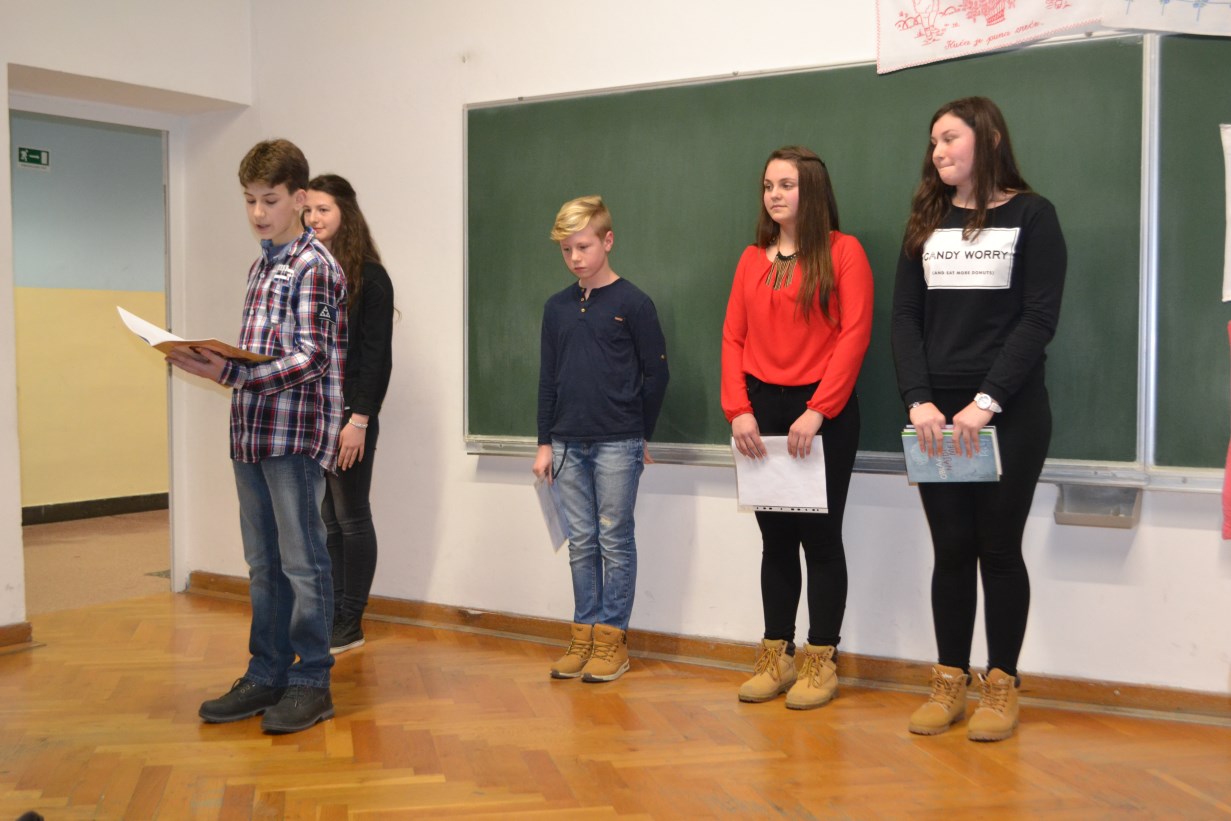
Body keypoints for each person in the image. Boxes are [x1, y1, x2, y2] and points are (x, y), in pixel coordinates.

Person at [891, 97, 1065, 741]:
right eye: (933, 141)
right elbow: (905, 318)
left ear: (988, 139)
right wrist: (918, 399)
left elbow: (1038, 319)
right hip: (936, 419)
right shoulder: (927, 219)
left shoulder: (1033, 215)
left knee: (997, 548)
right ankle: (949, 682)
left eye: (950, 138)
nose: (938, 151)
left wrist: (986, 401)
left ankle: (1001, 686)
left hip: (1007, 413)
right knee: (952, 550)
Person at [168, 139, 347, 734]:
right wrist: (215, 363)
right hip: (251, 434)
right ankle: (266, 673)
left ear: (299, 198)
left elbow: (313, 357)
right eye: (249, 200)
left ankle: (311, 681)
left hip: (294, 438)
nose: (257, 212)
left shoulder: (315, 266)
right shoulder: (262, 265)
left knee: (303, 564)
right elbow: (262, 354)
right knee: (264, 563)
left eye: (269, 199)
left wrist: (230, 372)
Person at [721, 146, 874, 710]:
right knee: (776, 540)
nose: (774, 195)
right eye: (768, 186)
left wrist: (819, 409)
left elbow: (854, 334)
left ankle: (821, 659)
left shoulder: (844, 252)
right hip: (761, 415)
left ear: (811, 191)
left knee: (821, 540)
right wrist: (739, 409)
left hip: (821, 415)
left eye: (786, 185)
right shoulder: (750, 260)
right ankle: (776, 655)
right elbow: (733, 337)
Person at [531, 195, 669, 683]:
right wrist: (544, 442)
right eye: (566, 249)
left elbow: (656, 376)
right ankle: (583, 634)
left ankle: (613, 641)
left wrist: (639, 433)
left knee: (614, 538)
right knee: (581, 542)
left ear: (607, 241)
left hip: (617, 442)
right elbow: (548, 380)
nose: (575, 258)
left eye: (583, 246)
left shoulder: (634, 304)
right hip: (566, 443)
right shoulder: (556, 308)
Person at [304, 174, 395, 654]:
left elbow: (377, 358)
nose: (314, 218)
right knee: (328, 518)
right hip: (316, 415)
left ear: (346, 214)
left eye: (324, 209)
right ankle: (333, 611)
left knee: (352, 516)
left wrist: (359, 421)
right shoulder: (311, 272)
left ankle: (351, 621)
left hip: (350, 418)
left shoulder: (371, 278)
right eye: (309, 210)